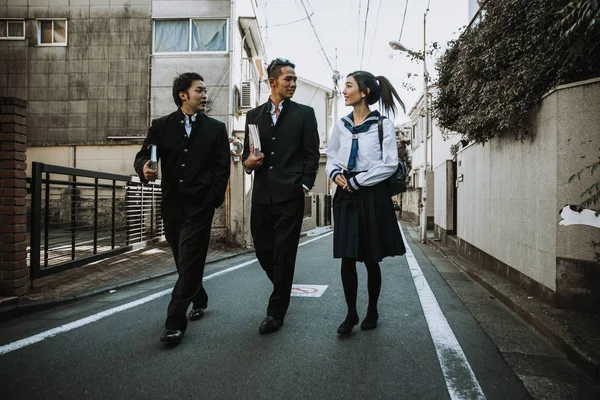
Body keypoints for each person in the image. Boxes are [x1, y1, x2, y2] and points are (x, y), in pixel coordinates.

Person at [134, 72, 231, 344]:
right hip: (172, 205)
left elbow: (222, 168)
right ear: (182, 95)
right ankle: (198, 295)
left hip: (201, 205)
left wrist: (213, 198)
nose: (205, 94)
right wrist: (144, 167)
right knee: (182, 259)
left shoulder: (215, 129)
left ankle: (174, 322)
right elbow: (145, 154)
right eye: (199, 90)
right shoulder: (162, 126)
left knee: (189, 259)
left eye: (205, 90)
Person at [325, 71, 407, 335]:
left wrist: (359, 182)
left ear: (364, 92)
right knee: (347, 257)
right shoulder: (341, 125)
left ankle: (372, 309)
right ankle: (351, 313)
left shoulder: (383, 124)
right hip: (345, 197)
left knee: (371, 258)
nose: (344, 91)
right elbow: (331, 157)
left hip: (372, 195)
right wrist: (336, 175)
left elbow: (390, 164)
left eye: (349, 86)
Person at [242, 57, 320, 334]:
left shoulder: (304, 114)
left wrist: (304, 185)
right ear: (272, 82)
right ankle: (282, 285)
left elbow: (312, 155)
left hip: (291, 195)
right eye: (288, 79)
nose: (293, 84)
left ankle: (276, 312)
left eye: (295, 80)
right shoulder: (253, 116)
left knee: (284, 254)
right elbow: (245, 155)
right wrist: (248, 164)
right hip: (262, 194)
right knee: (263, 249)